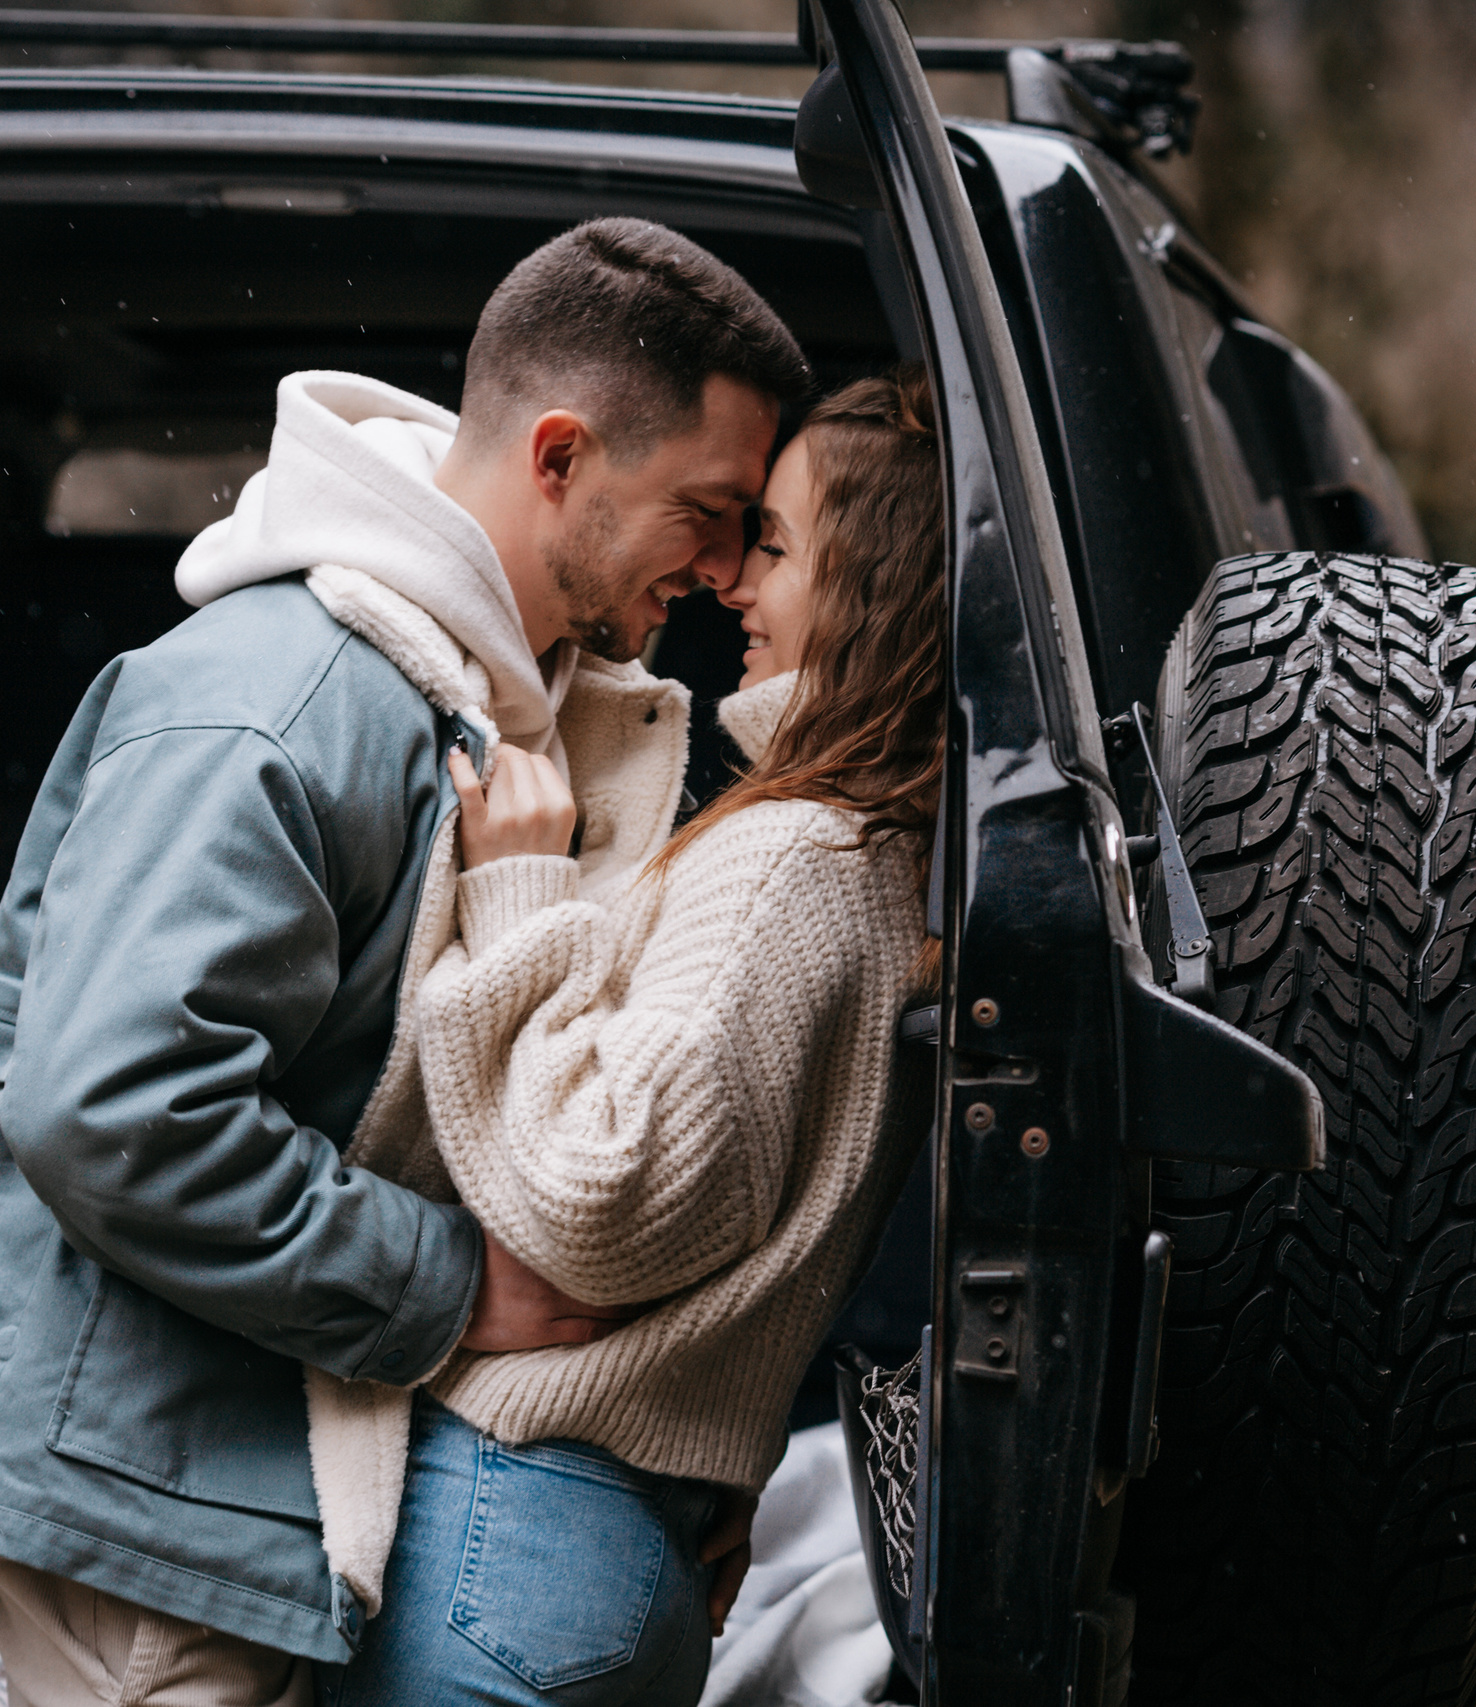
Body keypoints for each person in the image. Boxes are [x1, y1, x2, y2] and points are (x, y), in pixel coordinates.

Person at [0, 219, 811, 1707]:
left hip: (252, 1467)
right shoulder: (279, 705)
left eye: (756, 529)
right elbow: (112, 1111)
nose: (731, 563)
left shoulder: (515, 703)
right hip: (150, 1500)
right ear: (560, 455)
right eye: (709, 509)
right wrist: (451, 1288)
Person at [315, 366, 948, 1706]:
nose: (734, 584)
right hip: (616, 1539)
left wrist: (521, 894)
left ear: (870, 592)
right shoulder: (894, 868)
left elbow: (603, 1201)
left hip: (514, 1529)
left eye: (773, 546)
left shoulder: (788, 860)